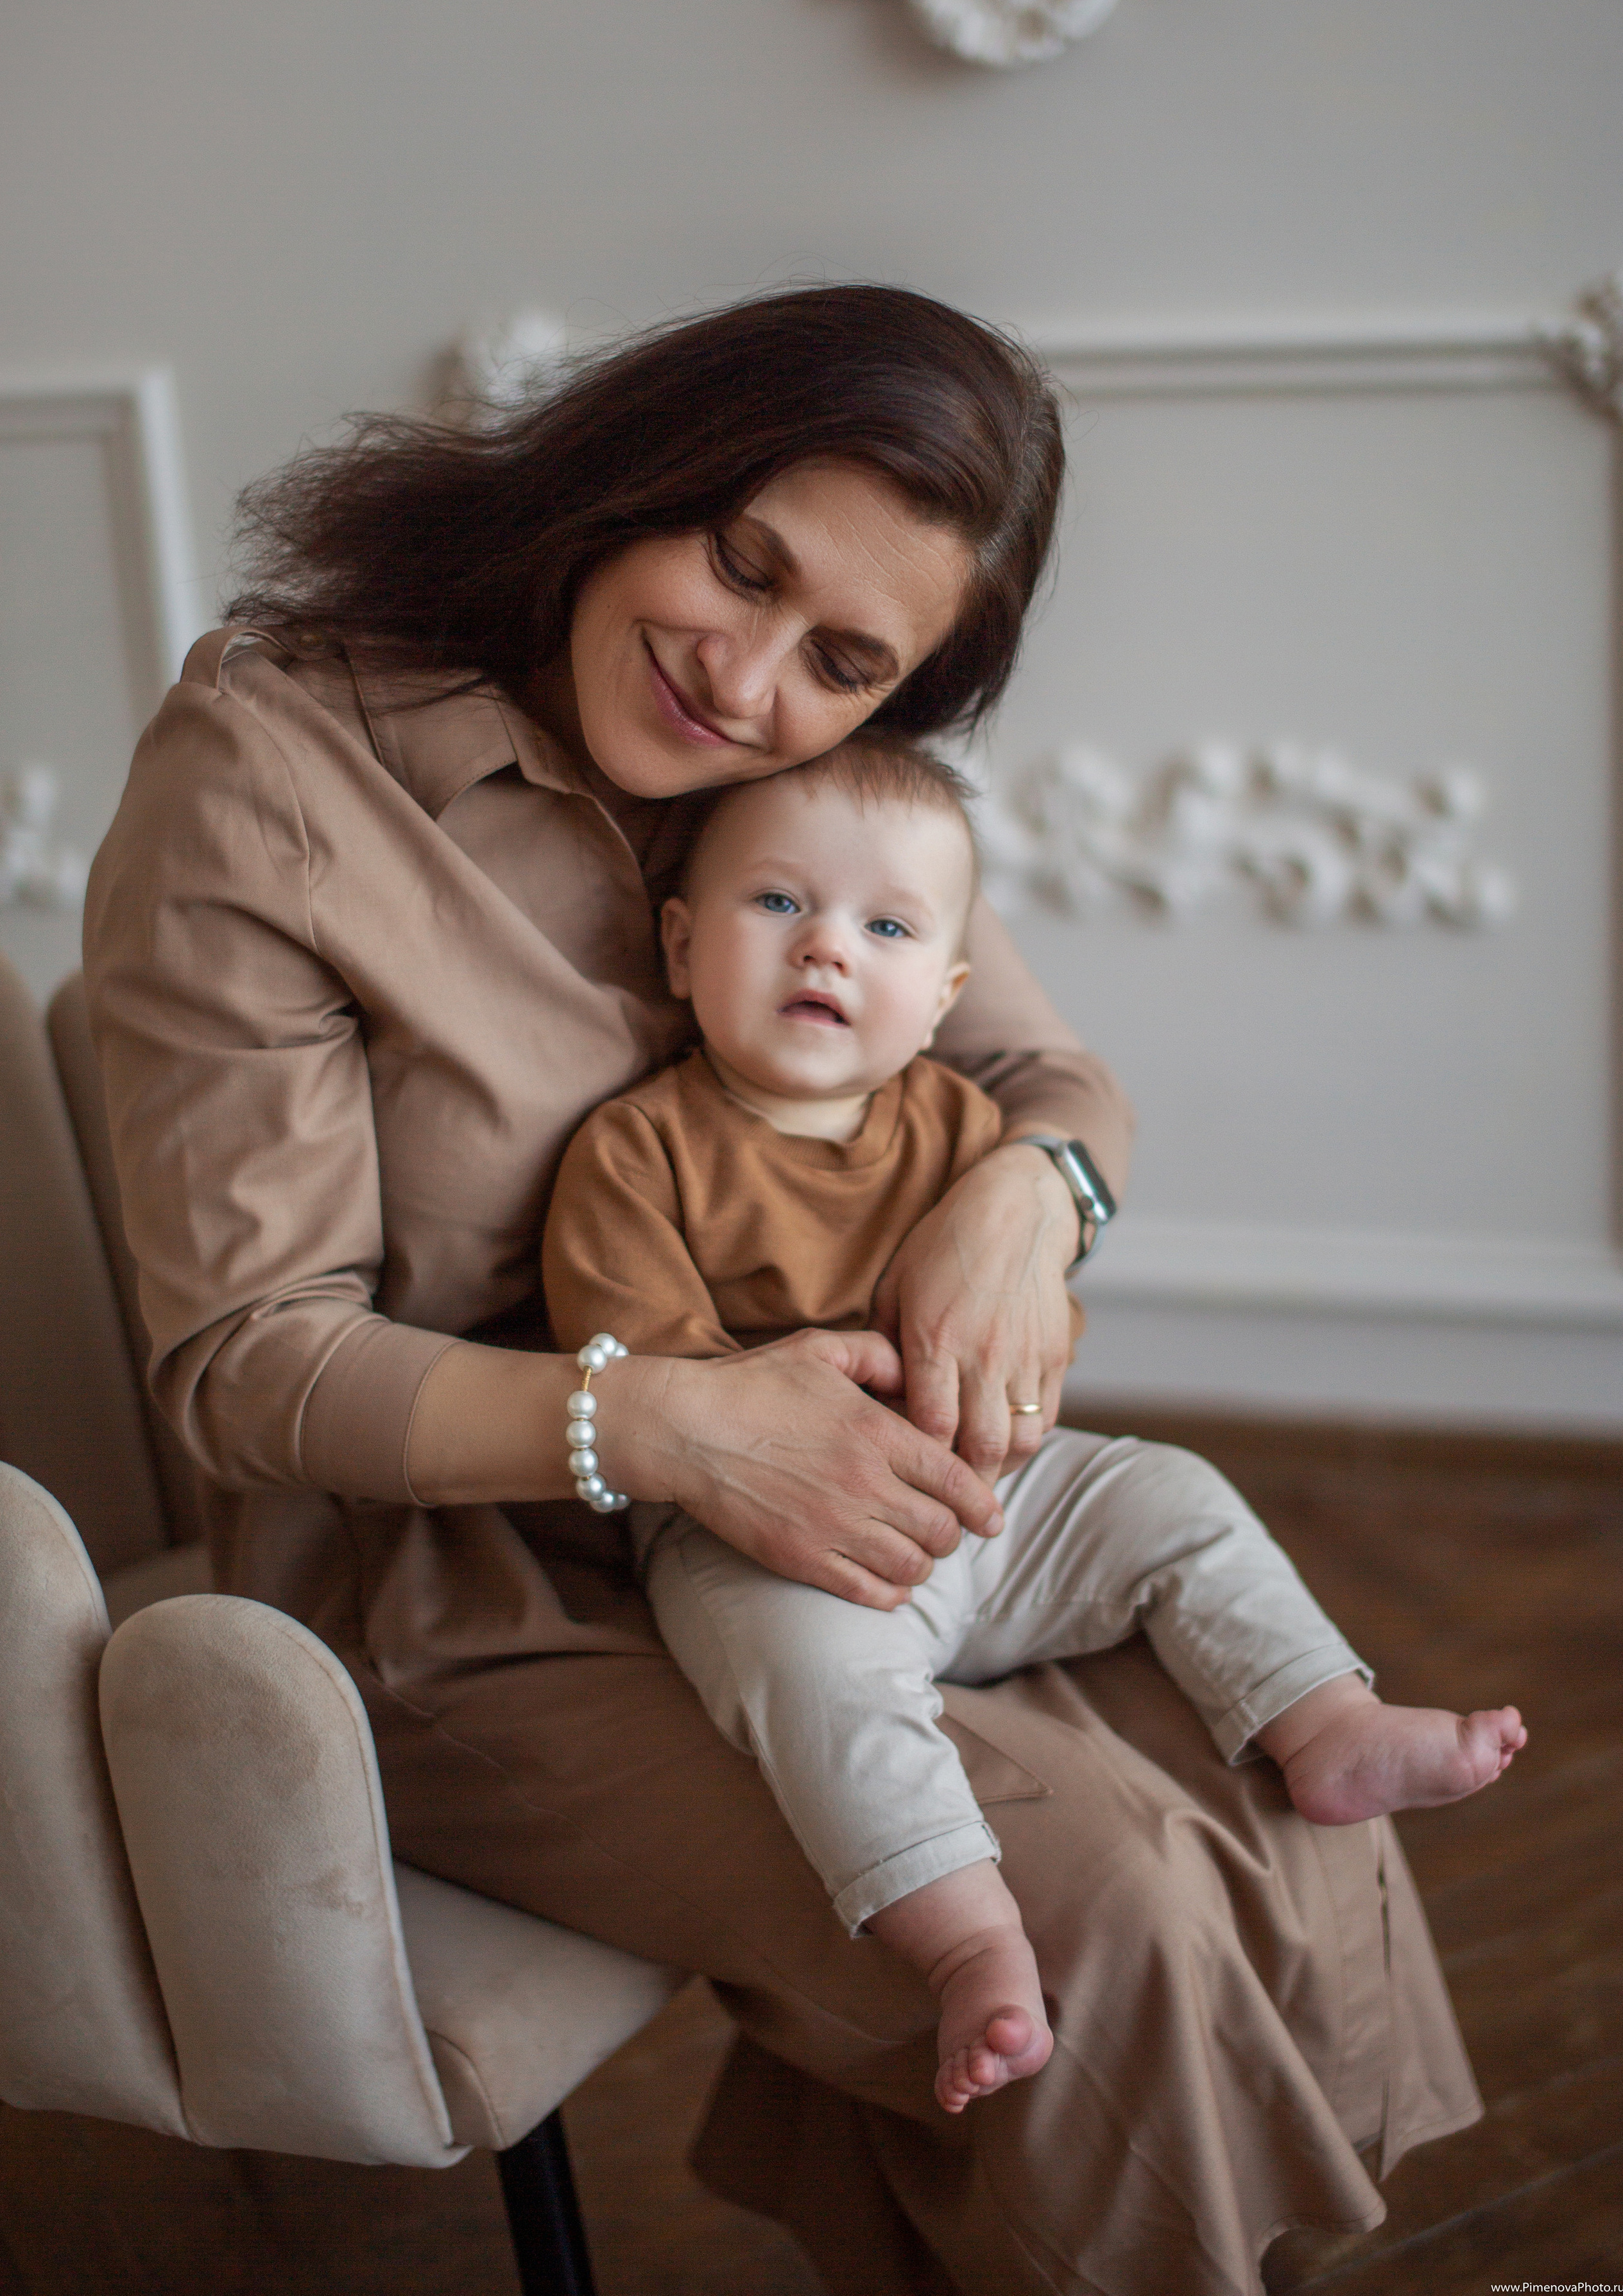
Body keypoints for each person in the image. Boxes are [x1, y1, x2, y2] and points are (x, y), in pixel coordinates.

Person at [83, 284, 1486, 2296]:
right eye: (739, 562)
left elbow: (1058, 1085)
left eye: (843, 659)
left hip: (839, 1522)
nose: (743, 681)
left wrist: (1026, 1194)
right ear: (634, 461)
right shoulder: (280, 772)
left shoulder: (817, 775)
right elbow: (241, 1364)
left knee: (1269, 1776)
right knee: (1104, 1909)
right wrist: (658, 1419)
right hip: (451, 1598)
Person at [541, 737, 1524, 2116]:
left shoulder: (961, 1130)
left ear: (941, 994)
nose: (826, 947)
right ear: (679, 940)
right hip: (763, 1539)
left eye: (881, 928)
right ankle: (967, 1943)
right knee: (814, 1689)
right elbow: (641, 1368)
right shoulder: (634, 1150)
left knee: (1171, 1493)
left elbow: (1027, 1323)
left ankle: (1326, 1721)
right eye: (778, 906)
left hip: (994, 1506)